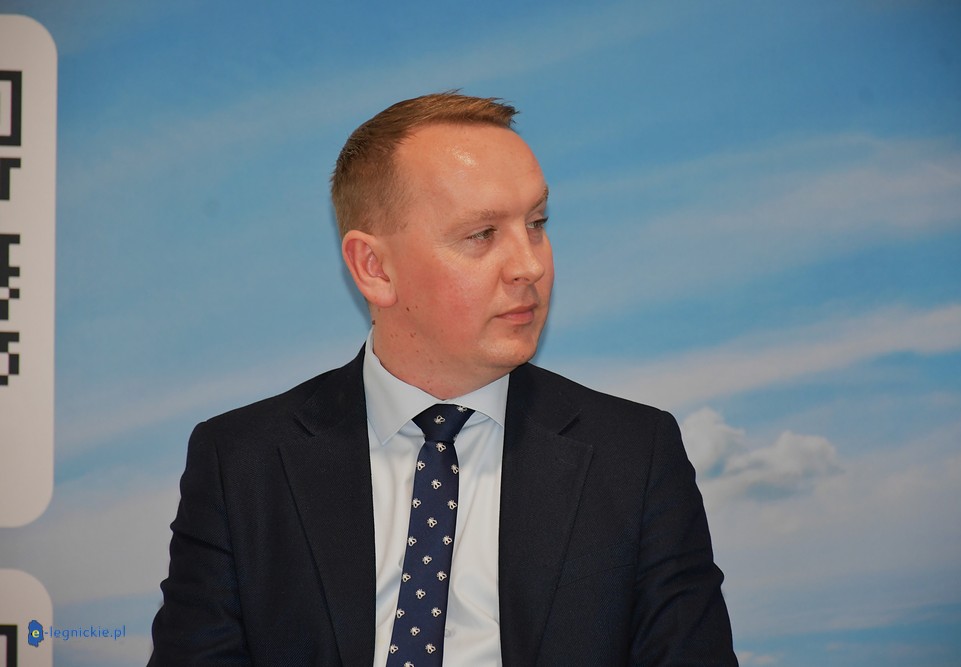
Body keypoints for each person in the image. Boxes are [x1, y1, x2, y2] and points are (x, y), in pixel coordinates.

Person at [149, 92, 737, 666]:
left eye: (536, 223)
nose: (530, 264)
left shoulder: (633, 456)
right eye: (482, 235)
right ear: (374, 269)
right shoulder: (241, 462)